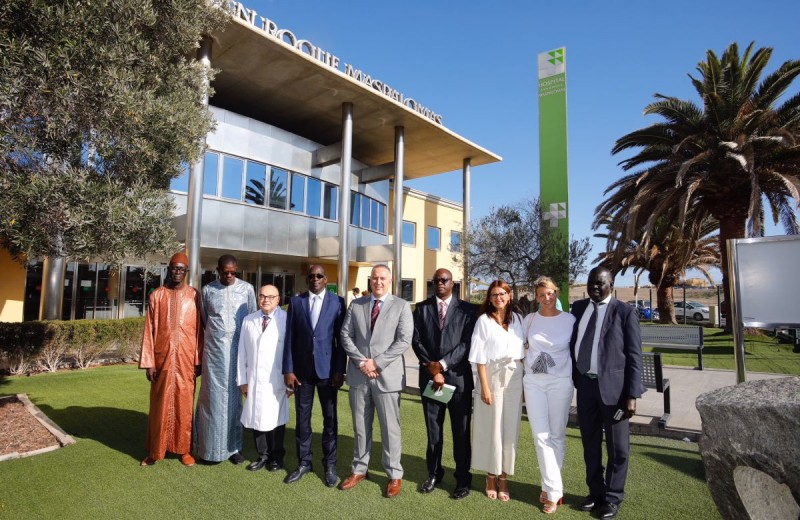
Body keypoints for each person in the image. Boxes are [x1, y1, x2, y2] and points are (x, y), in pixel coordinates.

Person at [571, 266, 644, 519]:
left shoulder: (625, 312)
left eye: (600, 283)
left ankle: (613, 499)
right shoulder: (578, 309)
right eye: (591, 283)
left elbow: (635, 357)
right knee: (590, 443)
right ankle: (596, 493)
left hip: (615, 392)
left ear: (611, 284)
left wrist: (632, 395)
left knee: (618, 448)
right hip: (586, 387)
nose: (594, 287)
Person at [339, 264, 413, 498]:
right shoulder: (357, 304)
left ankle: (394, 474)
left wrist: (376, 362)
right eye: (374, 278)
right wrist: (363, 362)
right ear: (370, 281)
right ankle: (360, 469)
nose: (378, 282)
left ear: (390, 281)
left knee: (390, 428)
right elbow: (345, 335)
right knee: (361, 426)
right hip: (359, 375)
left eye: (382, 278)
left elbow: (404, 340)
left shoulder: (401, 306)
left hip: (387, 377)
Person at [411, 268, 476, 499]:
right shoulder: (421, 308)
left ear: (453, 284)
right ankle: (434, 473)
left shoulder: (468, 310)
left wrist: (443, 365)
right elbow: (416, 341)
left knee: (461, 432)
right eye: (436, 280)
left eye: (444, 280)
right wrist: (433, 368)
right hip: (432, 380)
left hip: (458, 380)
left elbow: (467, 343)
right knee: (434, 431)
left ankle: (462, 479)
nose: (439, 283)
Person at [283, 265, 346, 487]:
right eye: (311, 276)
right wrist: (288, 370)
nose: (315, 279)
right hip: (302, 373)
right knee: (303, 420)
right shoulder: (297, 302)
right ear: (307, 279)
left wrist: (340, 370)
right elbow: (290, 338)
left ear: (325, 278)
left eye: (319, 276)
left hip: (328, 372)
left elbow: (341, 341)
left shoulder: (337, 302)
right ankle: (304, 462)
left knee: (330, 420)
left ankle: (330, 464)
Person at [139, 252, 204, 467]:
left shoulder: (194, 296)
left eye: (181, 269)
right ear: (168, 269)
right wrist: (149, 362)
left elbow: (199, 332)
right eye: (174, 268)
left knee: (185, 405)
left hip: (186, 361)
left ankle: (184, 449)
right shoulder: (157, 295)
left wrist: (198, 359)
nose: (177, 272)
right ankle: (155, 451)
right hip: (162, 360)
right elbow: (149, 330)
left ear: (186, 272)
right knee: (159, 405)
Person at [195, 255, 257, 464]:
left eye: (233, 272)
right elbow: (204, 320)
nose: (229, 276)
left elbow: (252, 318)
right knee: (213, 400)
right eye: (225, 272)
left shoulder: (247, 289)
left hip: (238, 353)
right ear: (218, 270)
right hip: (214, 355)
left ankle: (234, 448)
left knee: (234, 400)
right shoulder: (208, 290)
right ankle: (210, 450)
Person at [521, 276, 576, 514]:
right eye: (542, 294)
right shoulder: (529, 320)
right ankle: (554, 494)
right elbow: (519, 346)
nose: (547, 298)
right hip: (534, 383)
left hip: (561, 383)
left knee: (557, 436)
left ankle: (549, 486)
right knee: (540, 436)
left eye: (551, 293)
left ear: (557, 292)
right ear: (536, 296)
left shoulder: (570, 320)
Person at [468, 280, 525, 502]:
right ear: (489, 298)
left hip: (515, 377)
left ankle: (504, 477)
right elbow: (479, 358)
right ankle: (490, 476)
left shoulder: (518, 320)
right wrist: (484, 387)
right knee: (492, 429)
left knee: (510, 429)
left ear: (509, 296)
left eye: (502, 294)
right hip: (491, 377)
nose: (498, 298)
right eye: (493, 295)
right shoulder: (483, 321)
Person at [237, 284, 289, 472]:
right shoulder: (248, 320)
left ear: (278, 300)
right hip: (254, 379)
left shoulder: (286, 320)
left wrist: (291, 384)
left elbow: (292, 353)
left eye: (270, 296)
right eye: (262, 296)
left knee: (276, 419)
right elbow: (242, 353)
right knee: (256, 418)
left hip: (277, 380)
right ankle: (262, 455)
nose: (265, 299)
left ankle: (276, 457)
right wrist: (242, 380)